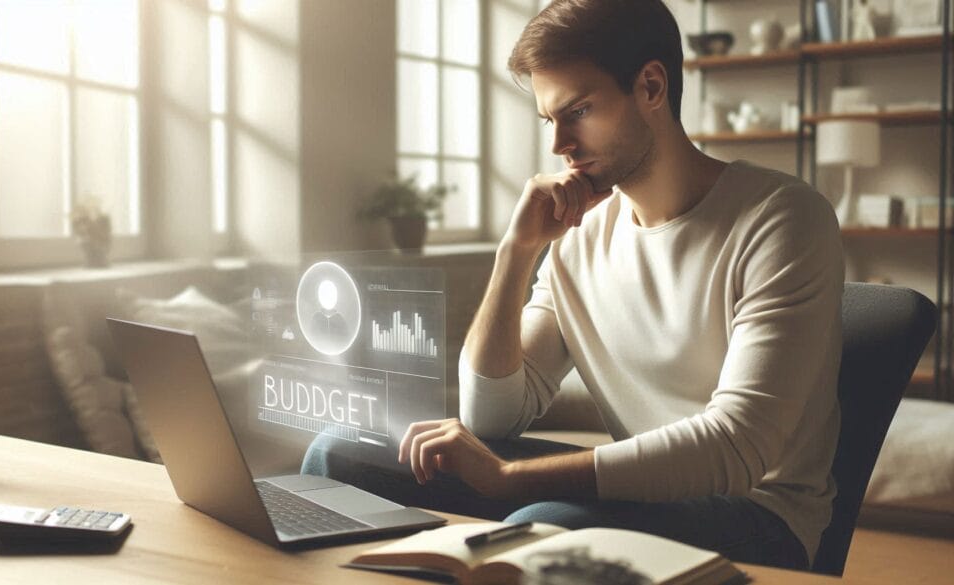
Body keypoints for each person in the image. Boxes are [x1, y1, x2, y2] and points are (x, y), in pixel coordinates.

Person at [303, 0, 842, 571]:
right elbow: (492, 417)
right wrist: (516, 253)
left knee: (538, 532)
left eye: (578, 111)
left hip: (757, 516)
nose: (559, 142)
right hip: (645, 491)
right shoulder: (579, 238)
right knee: (340, 454)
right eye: (549, 119)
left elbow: (736, 447)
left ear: (652, 87)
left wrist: (508, 477)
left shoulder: (782, 220)